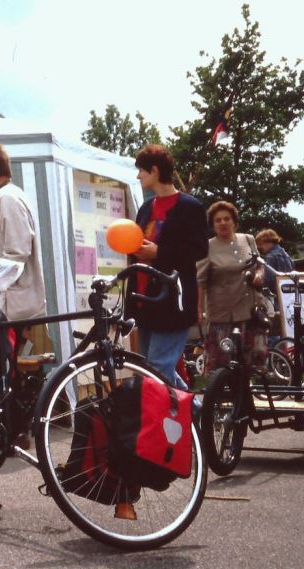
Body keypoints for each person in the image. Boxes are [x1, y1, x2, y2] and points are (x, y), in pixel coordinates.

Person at [126, 144, 209, 390]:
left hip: (172, 301)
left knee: (157, 370)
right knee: (153, 368)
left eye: (141, 171)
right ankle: (193, 410)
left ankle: (174, 412)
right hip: (145, 300)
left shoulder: (190, 207)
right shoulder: (146, 208)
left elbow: (199, 250)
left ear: (154, 171)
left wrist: (159, 252)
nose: (138, 176)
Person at [0, 143, 46, 321]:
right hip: (11, 305)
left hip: (16, 307)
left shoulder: (8, 198)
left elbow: (18, 252)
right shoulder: (3, 197)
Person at [197, 201, 268, 373]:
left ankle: (247, 389)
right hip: (223, 314)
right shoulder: (207, 247)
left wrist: (259, 274)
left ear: (234, 221)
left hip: (251, 310)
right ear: (213, 225)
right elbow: (200, 282)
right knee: (221, 364)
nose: (223, 223)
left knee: (252, 362)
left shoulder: (248, 240)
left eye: (227, 219)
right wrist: (198, 310)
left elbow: (260, 264)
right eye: (218, 220)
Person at [255, 228, 294, 293]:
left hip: (276, 292)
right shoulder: (286, 254)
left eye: (260, 244)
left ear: (268, 242)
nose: (259, 247)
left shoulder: (270, 256)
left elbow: (268, 279)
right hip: (288, 290)